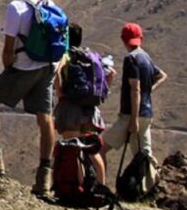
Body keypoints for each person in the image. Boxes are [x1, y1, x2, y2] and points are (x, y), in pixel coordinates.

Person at [0, 0, 63, 195]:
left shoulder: (16, 7)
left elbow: (8, 48)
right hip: (48, 67)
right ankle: (44, 176)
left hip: (24, 66)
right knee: (45, 118)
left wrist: (9, 67)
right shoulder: (49, 3)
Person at [53, 23, 114, 184]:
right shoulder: (90, 56)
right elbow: (111, 74)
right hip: (91, 110)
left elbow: (58, 74)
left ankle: (78, 189)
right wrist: (103, 91)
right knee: (92, 150)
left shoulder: (66, 56)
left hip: (71, 109)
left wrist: (60, 94)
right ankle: (101, 187)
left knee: (72, 151)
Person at [103, 22, 168, 158]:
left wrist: (133, 120)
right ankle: (150, 178)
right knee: (144, 156)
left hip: (130, 115)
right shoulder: (145, 57)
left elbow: (135, 89)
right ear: (141, 38)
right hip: (146, 114)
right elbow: (162, 75)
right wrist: (149, 90)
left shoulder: (131, 58)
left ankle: (97, 180)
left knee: (99, 150)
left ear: (123, 40)